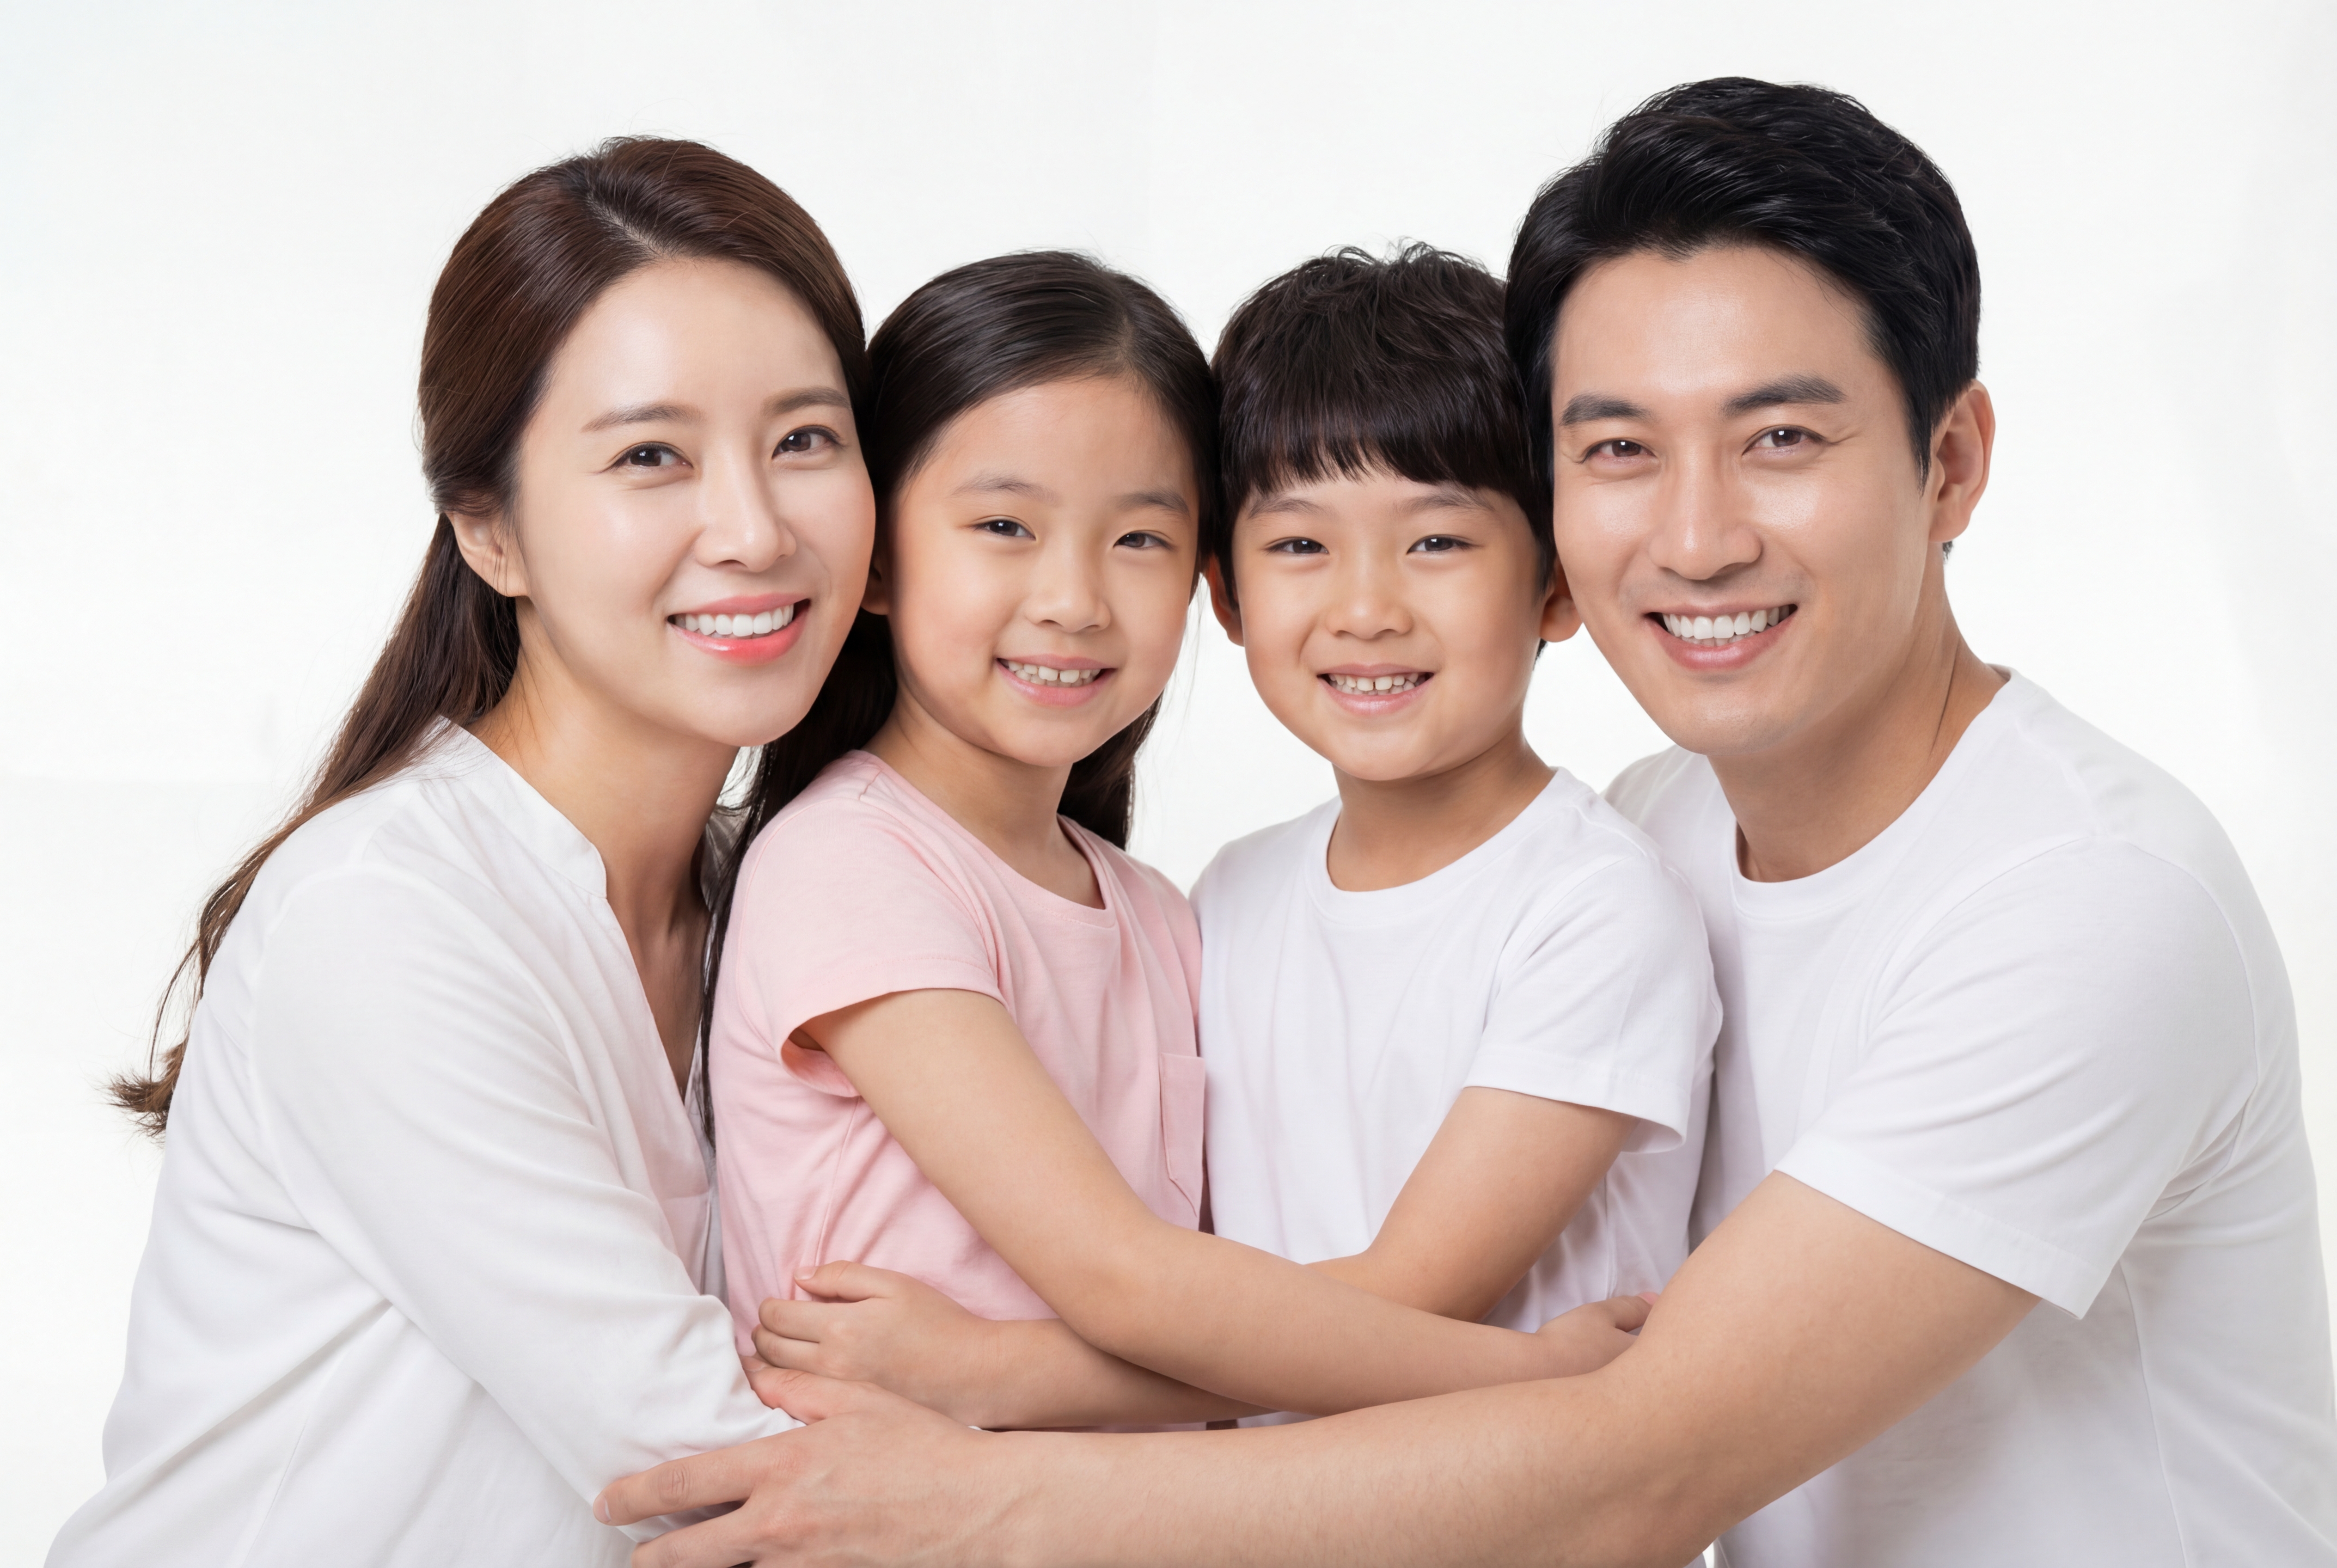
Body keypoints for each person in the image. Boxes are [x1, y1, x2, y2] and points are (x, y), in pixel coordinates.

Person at [596, 80, 2337, 1568]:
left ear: (1948, 463)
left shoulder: (2082, 904)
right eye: (1620, 450)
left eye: (1780, 435)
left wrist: (984, 1479)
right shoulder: (1639, 834)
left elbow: (1639, 1466)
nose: (1697, 533)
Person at [50, 138, 879, 1567]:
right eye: (650, 457)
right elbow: (725, 1474)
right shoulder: (386, 920)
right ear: (488, 530)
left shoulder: (786, 894)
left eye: (804, 439)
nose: (751, 529)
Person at [740, 245, 1714, 1431]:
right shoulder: (877, 864)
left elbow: (1316, 1302)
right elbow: (1155, 1288)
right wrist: (1540, 1374)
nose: (1072, 599)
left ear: (1555, 583)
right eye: (1003, 523)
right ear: (1235, 590)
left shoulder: (1174, 912)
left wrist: (994, 1372)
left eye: (1439, 541)